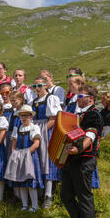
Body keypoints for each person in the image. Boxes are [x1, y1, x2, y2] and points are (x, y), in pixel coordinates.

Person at [60, 85, 103, 218]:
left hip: (84, 160)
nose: (77, 99)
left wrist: (78, 149)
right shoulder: (77, 114)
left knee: (84, 196)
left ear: (90, 99)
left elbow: (90, 136)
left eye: (80, 96)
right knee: (66, 195)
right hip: (70, 161)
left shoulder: (93, 114)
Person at [4, 104, 43, 212]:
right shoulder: (17, 129)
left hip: (29, 156)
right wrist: (14, 153)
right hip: (18, 156)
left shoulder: (34, 127)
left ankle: (34, 206)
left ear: (31, 116)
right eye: (21, 116)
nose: (24, 118)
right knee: (21, 182)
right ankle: (24, 205)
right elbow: (14, 144)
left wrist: (26, 154)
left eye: (26, 115)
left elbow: (36, 144)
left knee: (30, 182)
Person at [31, 76, 62, 208]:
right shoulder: (34, 101)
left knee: (48, 161)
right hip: (37, 130)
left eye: (40, 85)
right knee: (38, 160)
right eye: (35, 86)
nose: (37, 88)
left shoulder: (51, 98)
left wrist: (42, 132)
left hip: (46, 131)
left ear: (45, 85)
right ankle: (40, 190)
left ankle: (48, 194)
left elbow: (53, 118)